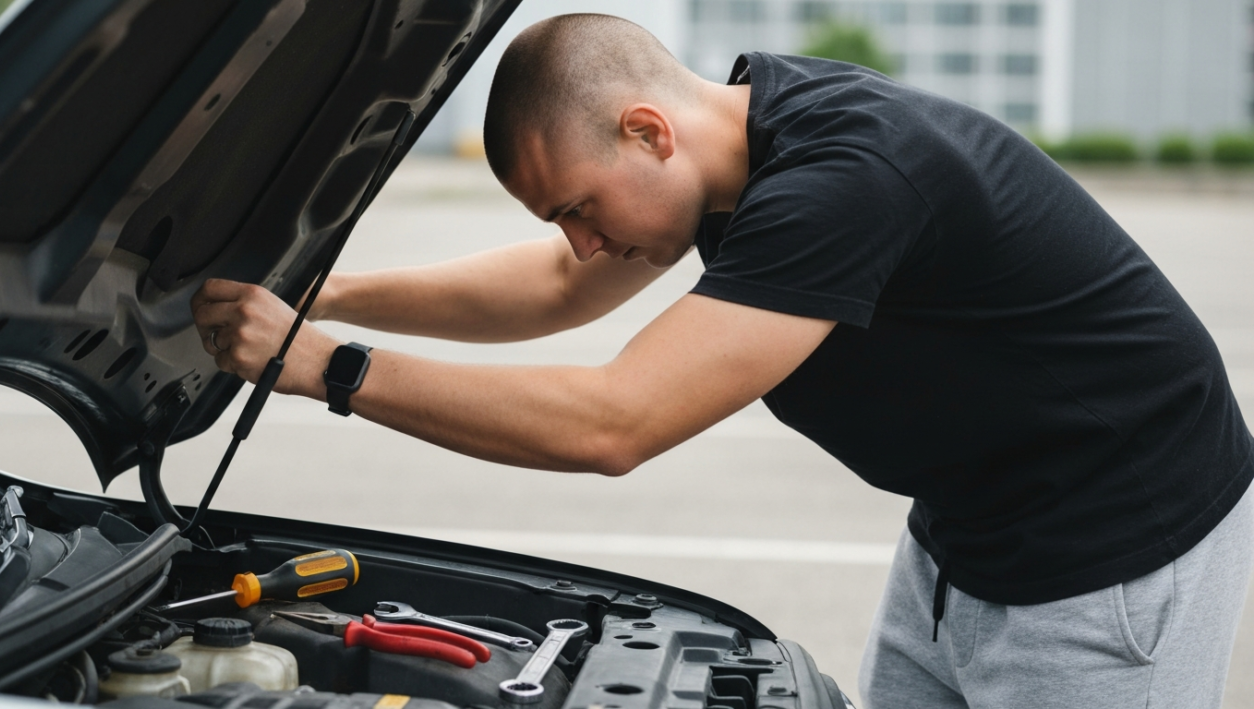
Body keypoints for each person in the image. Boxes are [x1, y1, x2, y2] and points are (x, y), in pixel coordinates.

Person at [190, 14, 1253, 708]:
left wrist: (326, 365)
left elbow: (616, 422)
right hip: (970, 522)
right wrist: (318, 298)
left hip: (1111, 552)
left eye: (579, 209)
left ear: (647, 130)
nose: (582, 243)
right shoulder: (733, 154)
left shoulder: (842, 181)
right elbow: (556, 288)